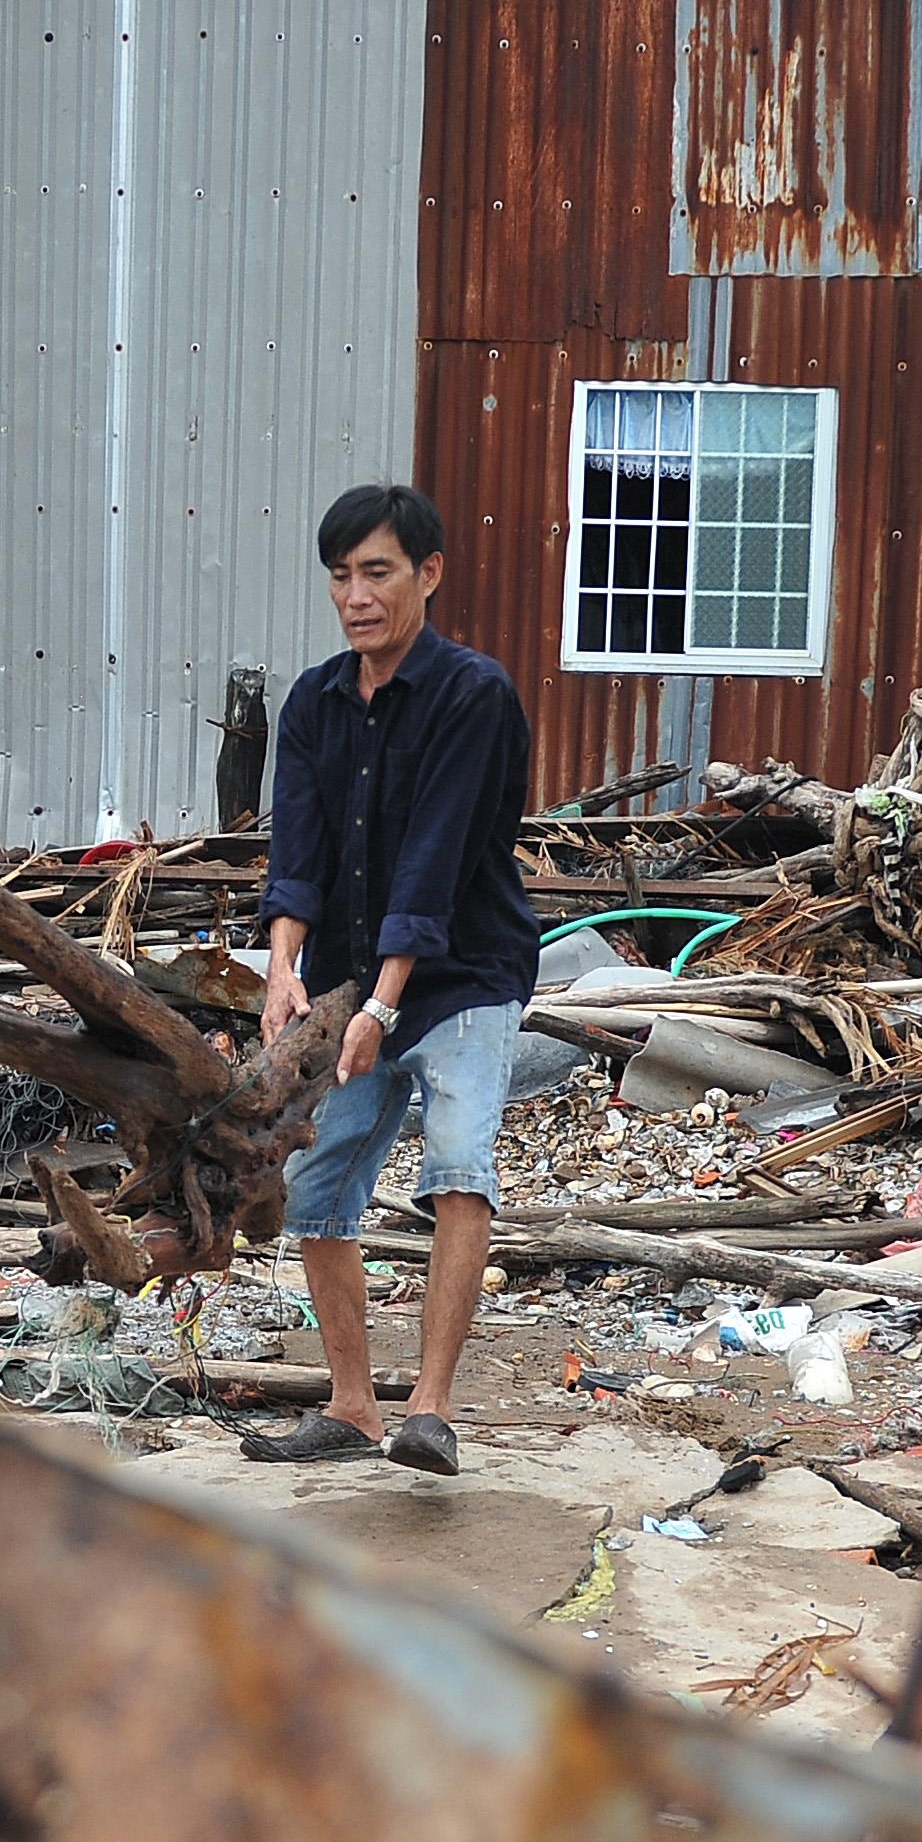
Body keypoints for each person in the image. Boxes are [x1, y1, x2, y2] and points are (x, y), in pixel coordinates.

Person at [249, 483, 540, 1478]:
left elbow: (437, 856)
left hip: (462, 975)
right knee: (316, 1183)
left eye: (376, 571)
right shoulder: (314, 702)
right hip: (342, 980)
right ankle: (351, 1404)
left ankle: (431, 1406)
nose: (355, 594)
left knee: (457, 1162)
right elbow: (299, 852)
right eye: (340, 575)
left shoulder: (472, 695)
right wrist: (284, 970)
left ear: (429, 573)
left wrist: (383, 1003)